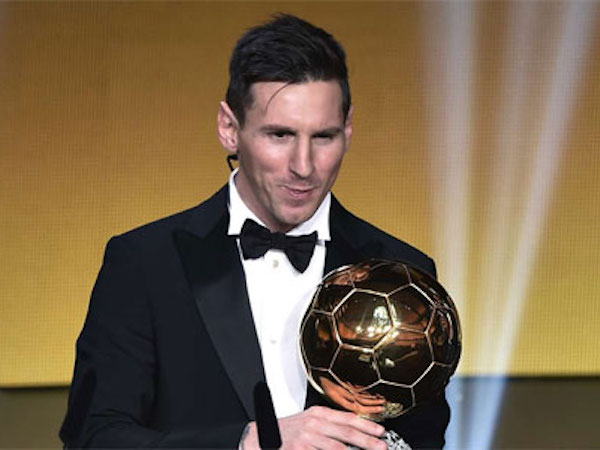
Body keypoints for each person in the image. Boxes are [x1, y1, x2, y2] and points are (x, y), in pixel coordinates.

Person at [60, 14, 449, 449]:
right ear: (230, 129)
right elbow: (95, 438)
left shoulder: (403, 273)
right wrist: (246, 443)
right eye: (280, 135)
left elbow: (422, 439)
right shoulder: (145, 264)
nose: (304, 166)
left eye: (323, 137)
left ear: (348, 129)